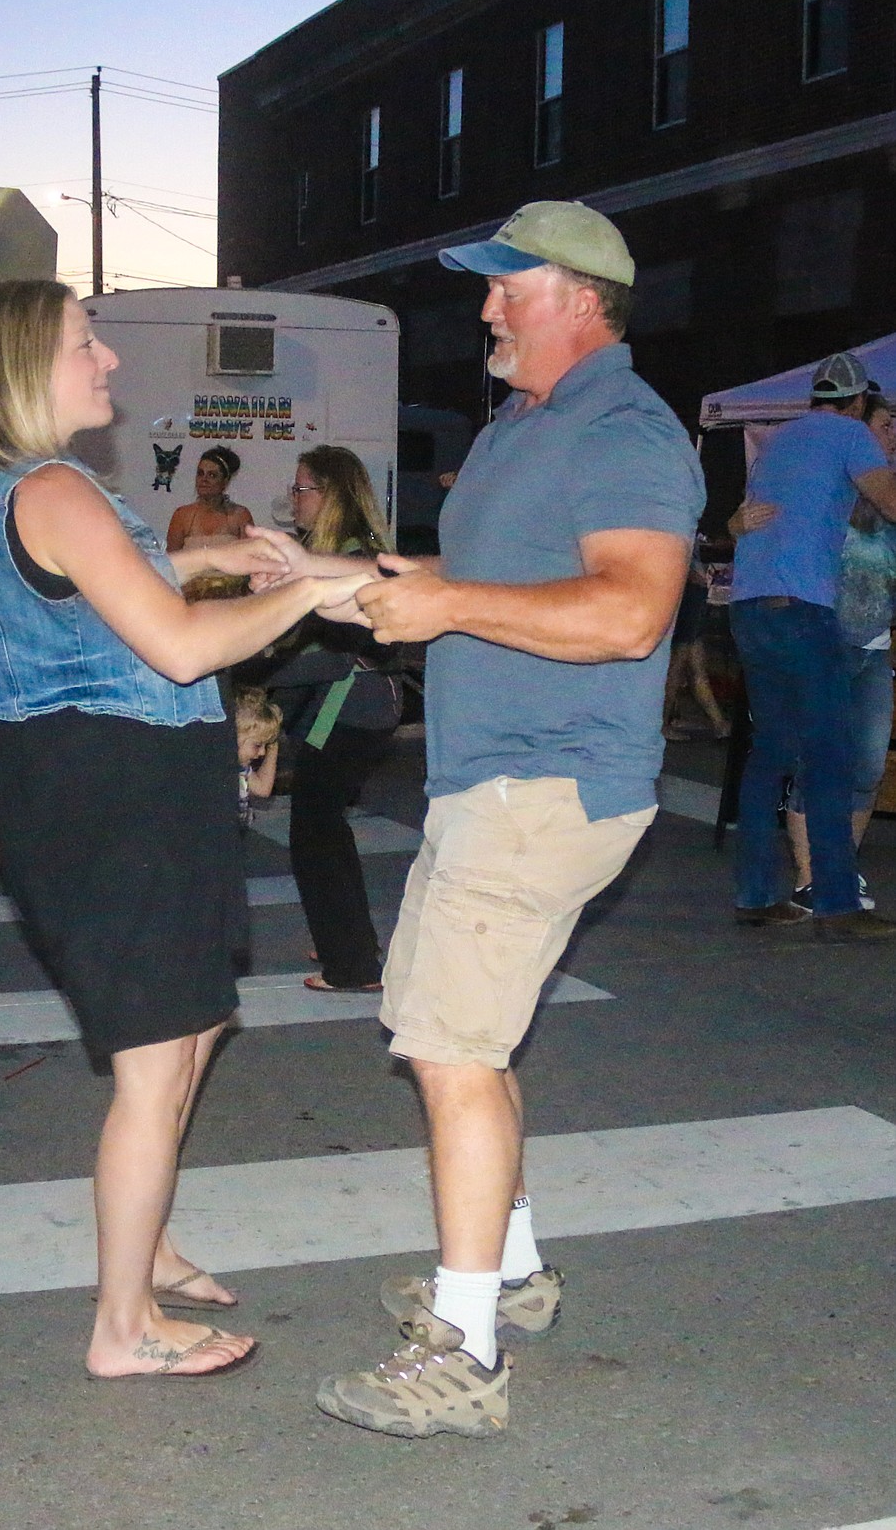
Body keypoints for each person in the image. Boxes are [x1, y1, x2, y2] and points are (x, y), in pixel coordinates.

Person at [259, 201, 704, 1437]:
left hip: (546, 783)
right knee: (459, 1038)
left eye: (509, 284)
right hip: (494, 779)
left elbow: (626, 615)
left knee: (451, 1049)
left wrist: (451, 607)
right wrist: (318, 577)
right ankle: (512, 1273)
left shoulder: (622, 427)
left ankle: (465, 1355)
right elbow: (454, 592)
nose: (487, 305)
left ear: (577, 294)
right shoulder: (525, 425)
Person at [0, 277, 369, 1380]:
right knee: (159, 1062)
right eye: (83, 343)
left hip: (86, 788)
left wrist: (199, 562)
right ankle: (123, 1329)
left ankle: (145, 1243)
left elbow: (79, 602)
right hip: (119, 797)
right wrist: (301, 586)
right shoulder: (55, 488)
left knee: (190, 1024)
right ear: (25, 369)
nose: (105, 360)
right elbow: (184, 650)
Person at [728, 352, 896, 940]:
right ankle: (836, 905)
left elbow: (746, 520)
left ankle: (755, 896)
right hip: (803, 611)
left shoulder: (781, 441)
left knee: (771, 752)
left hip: (751, 610)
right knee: (830, 760)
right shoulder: (850, 433)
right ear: (856, 403)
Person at [266, 445, 403, 992]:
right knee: (323, 829)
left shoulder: (349, 557)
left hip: (355, 712)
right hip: (349, 711)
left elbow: (342, 652)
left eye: (303, 490)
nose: (294, 500)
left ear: (331, 496)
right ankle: (346, 944)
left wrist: (257, 667)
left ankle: (352, 964)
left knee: (317, 831)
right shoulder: (341, 551)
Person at [662, 533, 729, 740]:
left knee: (694, 662)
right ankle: (662, 723)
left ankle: (719, 723)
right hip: (690, 586)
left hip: (692, 587)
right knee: (680, 660)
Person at [165, 446, 254, 551]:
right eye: (200, 473)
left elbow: (251, 560)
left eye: (212, 475)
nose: (204, 480)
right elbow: (170, 562)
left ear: (225, 481)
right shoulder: (182, 516)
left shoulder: (240, 516)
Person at [234, 686, 281, 828]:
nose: (262, 753)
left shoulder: (242, 768)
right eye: (257, 745)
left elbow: (263, 789)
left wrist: (273, 744)